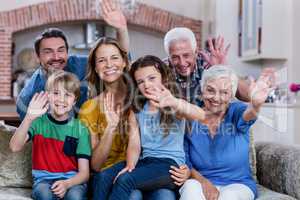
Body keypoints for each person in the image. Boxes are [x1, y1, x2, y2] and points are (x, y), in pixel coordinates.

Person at [107, 55, 207, 200]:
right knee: (104, 176)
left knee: (125, 181)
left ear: (163, 77)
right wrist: (130, 167)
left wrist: (174, 102)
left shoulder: (174, 104)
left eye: (152, 78)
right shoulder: (137, 109)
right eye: (140, 82)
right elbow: (135, 145)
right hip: (147, 162)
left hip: (170, 166)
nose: (146, 85)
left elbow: (201, 115)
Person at [16, 0, 129, 120]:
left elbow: (117, 62)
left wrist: (122, 29)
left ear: (67, 52)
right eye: (48, 51)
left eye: (60, 50)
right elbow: (32, 132)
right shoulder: (28, 97)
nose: (56, 57)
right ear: (37, 57)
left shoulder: (80, 64)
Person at [179, 65, 273, 200]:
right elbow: (186, 161)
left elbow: (248, 115)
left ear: (231, 95)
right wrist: (204, 182)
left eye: (224, 92)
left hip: (238, 184)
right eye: (210, 90)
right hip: (200, 182)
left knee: (229, 196)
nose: (216, 98)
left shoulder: (236, 110)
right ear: (202, 90)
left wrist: (256, 104)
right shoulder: (191, 117)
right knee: (190, 189)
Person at [9, 70, 91, 200]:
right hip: (44, 182)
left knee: (75, 196)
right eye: (56, 93)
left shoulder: (80, 128)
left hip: (72, 182)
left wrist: (66, 184)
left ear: (74, 101)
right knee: (45, 195)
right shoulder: (38, 123)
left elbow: (84, 173)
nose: (61, 99)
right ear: (48, 96)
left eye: (67, 95)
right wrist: (28, 118)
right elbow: (14, 147)